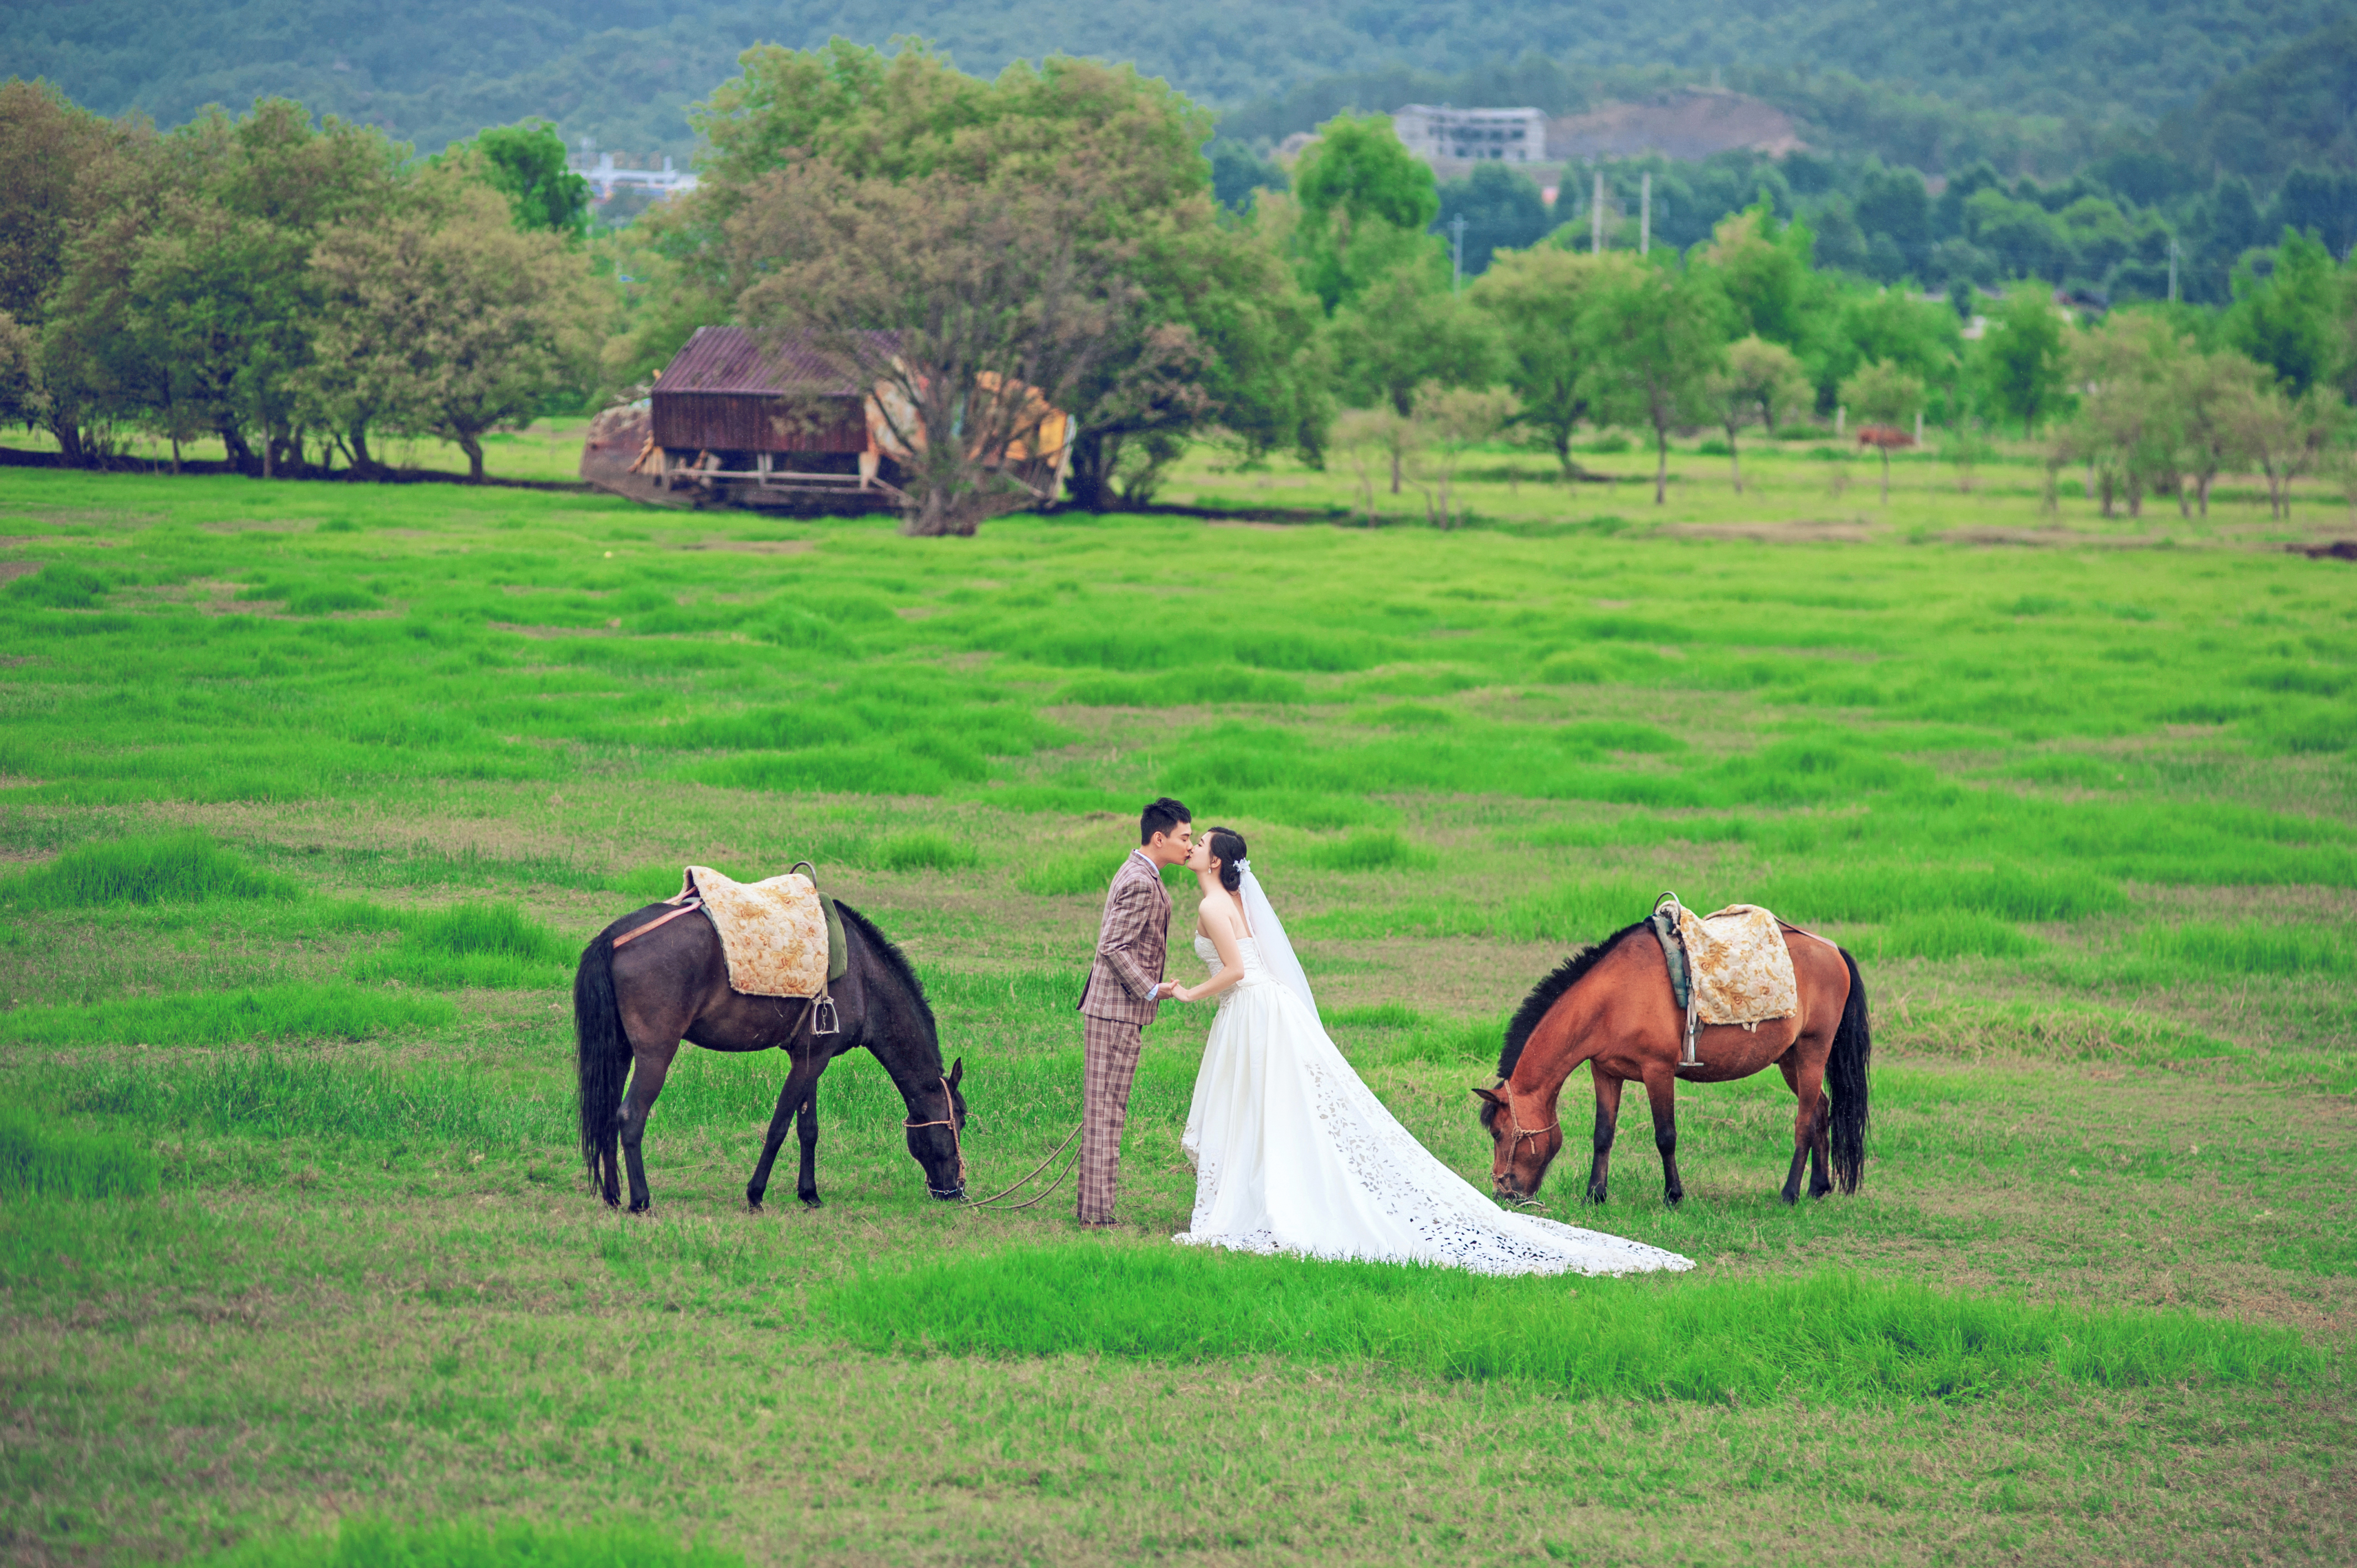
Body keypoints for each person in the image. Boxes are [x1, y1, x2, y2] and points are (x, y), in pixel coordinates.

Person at [1167, 827, 1692, 1276]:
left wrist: (1188, 992)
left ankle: (1259, 1196)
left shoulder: (1214, 904)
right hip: (1262, 1009)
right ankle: (1262, 1190)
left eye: (1201, 842)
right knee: (1270, 1106)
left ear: (1215, 861)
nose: (1192, 846)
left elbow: (1237, 970)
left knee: (1259, 1105)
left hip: (1251, 1008)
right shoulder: (1232, 900)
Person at [1074, 796, 1192, 1226]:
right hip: (1115, 1013)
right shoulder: (1142, 880)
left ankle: (1095, 1212)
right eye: (1184, 838)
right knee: (1106, 1113)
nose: (1190, 847)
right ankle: (1096, 1217)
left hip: (1115, 1013)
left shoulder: (1141, 870)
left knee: (1106, 1111)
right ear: (1159, 838)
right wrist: (1151, 989)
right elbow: (1113, 947)